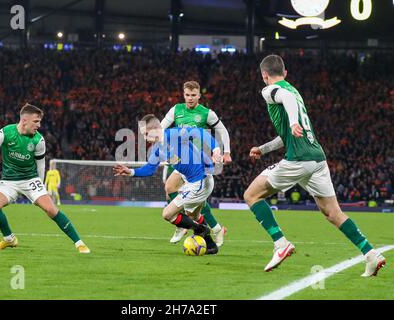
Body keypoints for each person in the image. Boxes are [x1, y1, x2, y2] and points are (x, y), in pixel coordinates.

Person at [243, 55, 385, 276]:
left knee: (252, 195)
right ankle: (371, 254)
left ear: (264, 75)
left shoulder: (271, 91)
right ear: (286, 72)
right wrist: (264, 148)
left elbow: (286, 100)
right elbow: (287, 134)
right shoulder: (296, 92)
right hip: (317, 159)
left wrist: (292, 122)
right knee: (332, 212)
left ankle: (280, 243)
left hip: (298, 159)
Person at [0, 103, 90, 253]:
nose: (39, 125)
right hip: (9, 181)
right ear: (24, 120)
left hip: (30, 180)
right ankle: (9, 239)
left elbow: (41, 165)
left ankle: (79, 243)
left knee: (51, 209)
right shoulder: (5, 133)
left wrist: (40, 188)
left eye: (40, 122)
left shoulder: (38, 141)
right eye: (36, 121)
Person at [113, 114, 222, 254]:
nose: (145, 138)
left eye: (146, 134)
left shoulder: (173, 134)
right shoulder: (157, 149)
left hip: (200, 181)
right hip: (192, 181)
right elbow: (149, 169)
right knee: (194, 215)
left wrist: (216, 150)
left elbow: (200, 132)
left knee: (167, 214)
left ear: (156, 128)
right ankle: (211, 246)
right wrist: (131, 172)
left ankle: (201, 229)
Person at [160, 80, 231, 246]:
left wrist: (225, 151)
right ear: (183, 94)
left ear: (199, 95)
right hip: (181, 160)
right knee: (170, 188)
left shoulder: (206, 113)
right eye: (187, 95)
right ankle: (182, 225)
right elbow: (161, 129)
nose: (190, 98)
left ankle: (215, 228)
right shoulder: (176, 110)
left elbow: (222, 130)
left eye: (193, 95)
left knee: (196, 202)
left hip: (198, 162)